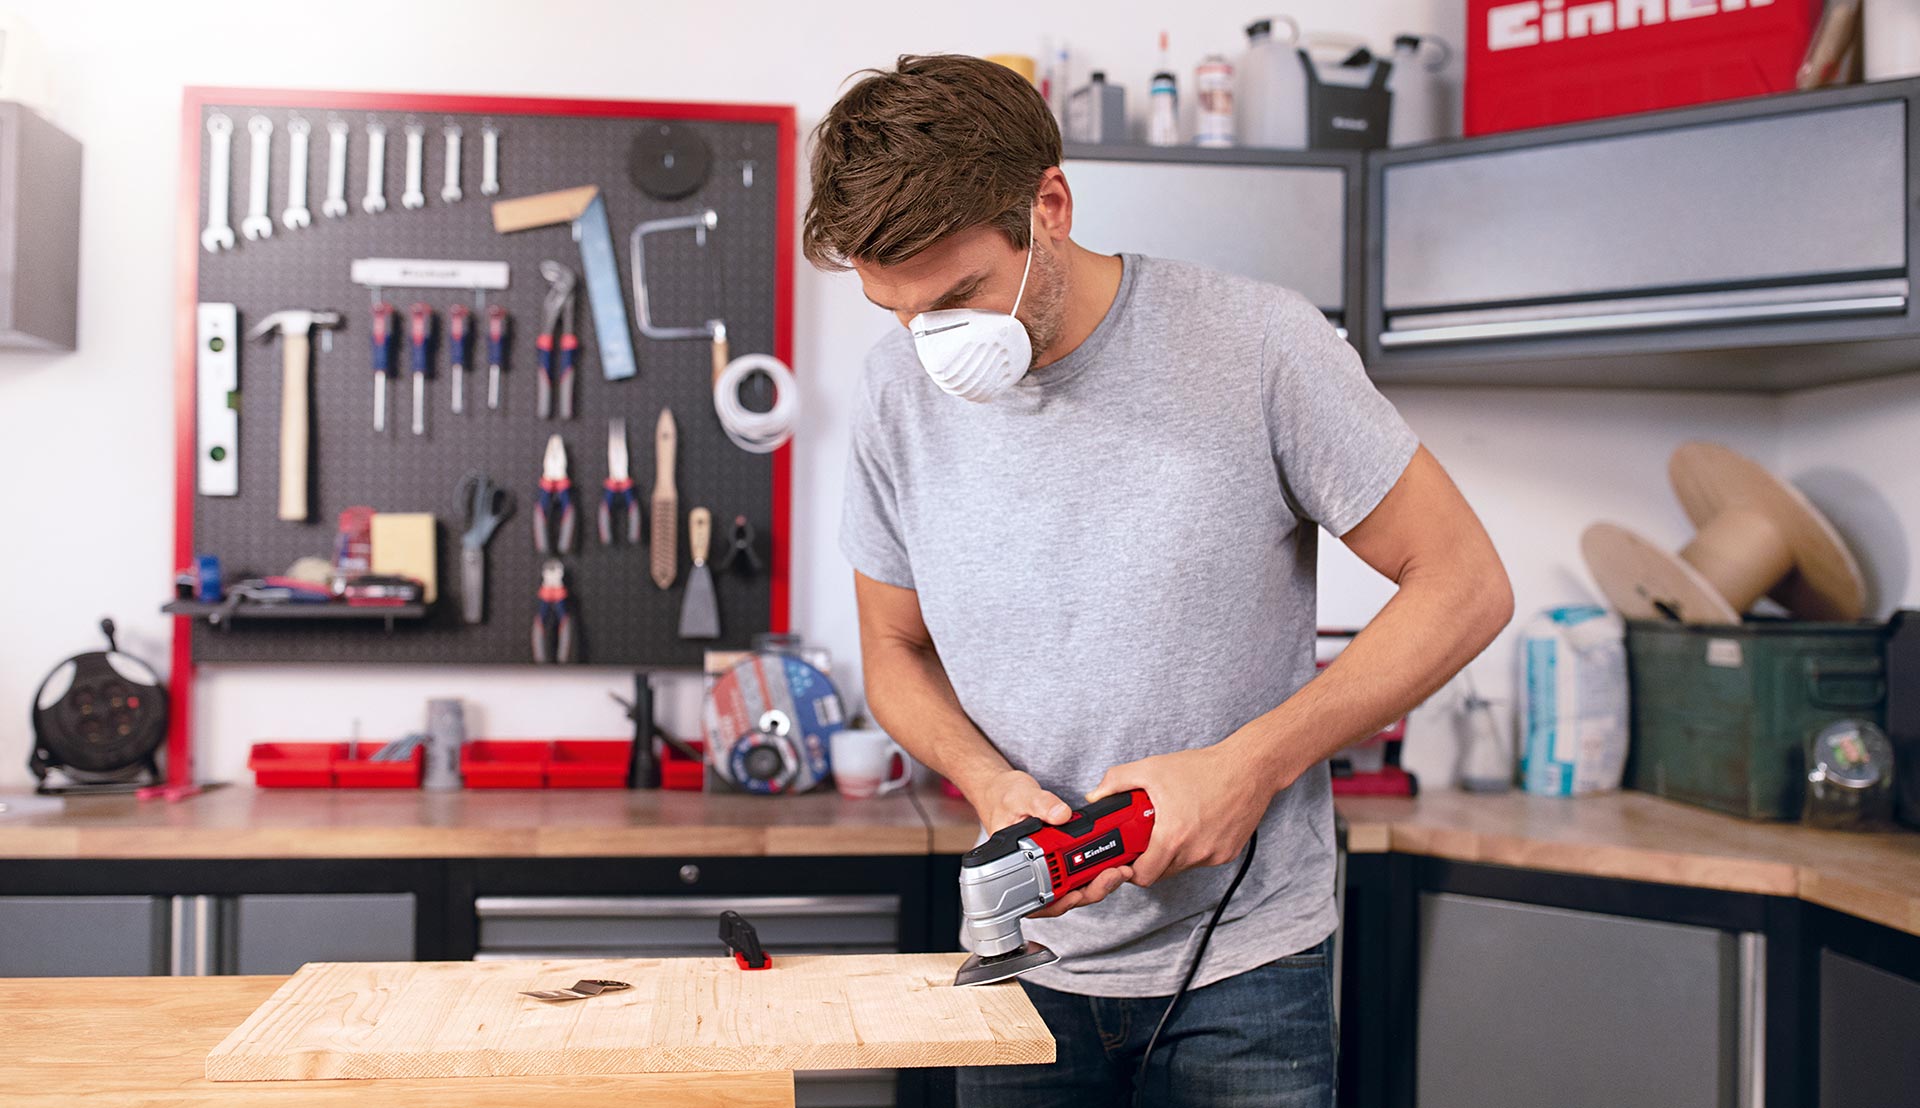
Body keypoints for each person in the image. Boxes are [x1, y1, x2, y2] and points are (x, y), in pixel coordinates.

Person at [805, 54, 1512, 1108]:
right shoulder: (893, 392)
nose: (931, 347)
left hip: (1245, 971)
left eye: (958, 297)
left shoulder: (1258, 344)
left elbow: (1464, 582)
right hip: (1025, 971)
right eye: (897, 312)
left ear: (1049, 204)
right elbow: (893, 654)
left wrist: (1249, 767)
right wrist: (988, 781)